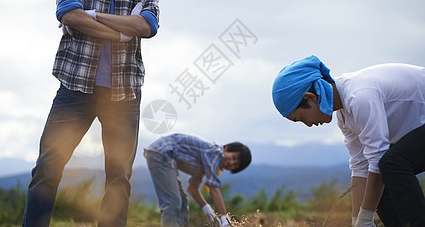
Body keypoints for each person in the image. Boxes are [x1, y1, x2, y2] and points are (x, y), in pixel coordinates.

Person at [22, 0, 159, 226]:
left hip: (124, 93)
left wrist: (93, 16)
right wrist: (124, 32)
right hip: (75, 86)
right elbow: (69, 13)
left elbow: (148, 26)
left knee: (119, 177)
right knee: (48, 169)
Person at [271, 55, 425, 227]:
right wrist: (356, 222)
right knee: (378, 182)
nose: (307, 125)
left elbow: (377, 158)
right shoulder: (344, 116)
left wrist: (366, 218)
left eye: (300, 118)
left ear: (310, 98)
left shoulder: (359, 97)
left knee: (391, 164)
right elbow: (361, 167)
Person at [144, 133, 252, 227]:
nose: (231, 162)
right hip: (161, 152)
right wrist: (225, 219)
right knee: (173, 202)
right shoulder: (216, 153)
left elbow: (192, 188)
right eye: (233, 157)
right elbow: (213, 189)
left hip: (166, 157)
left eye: (236, 165)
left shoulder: (207, 164)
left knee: (182, 202)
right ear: (227, 148)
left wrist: (208, 210)